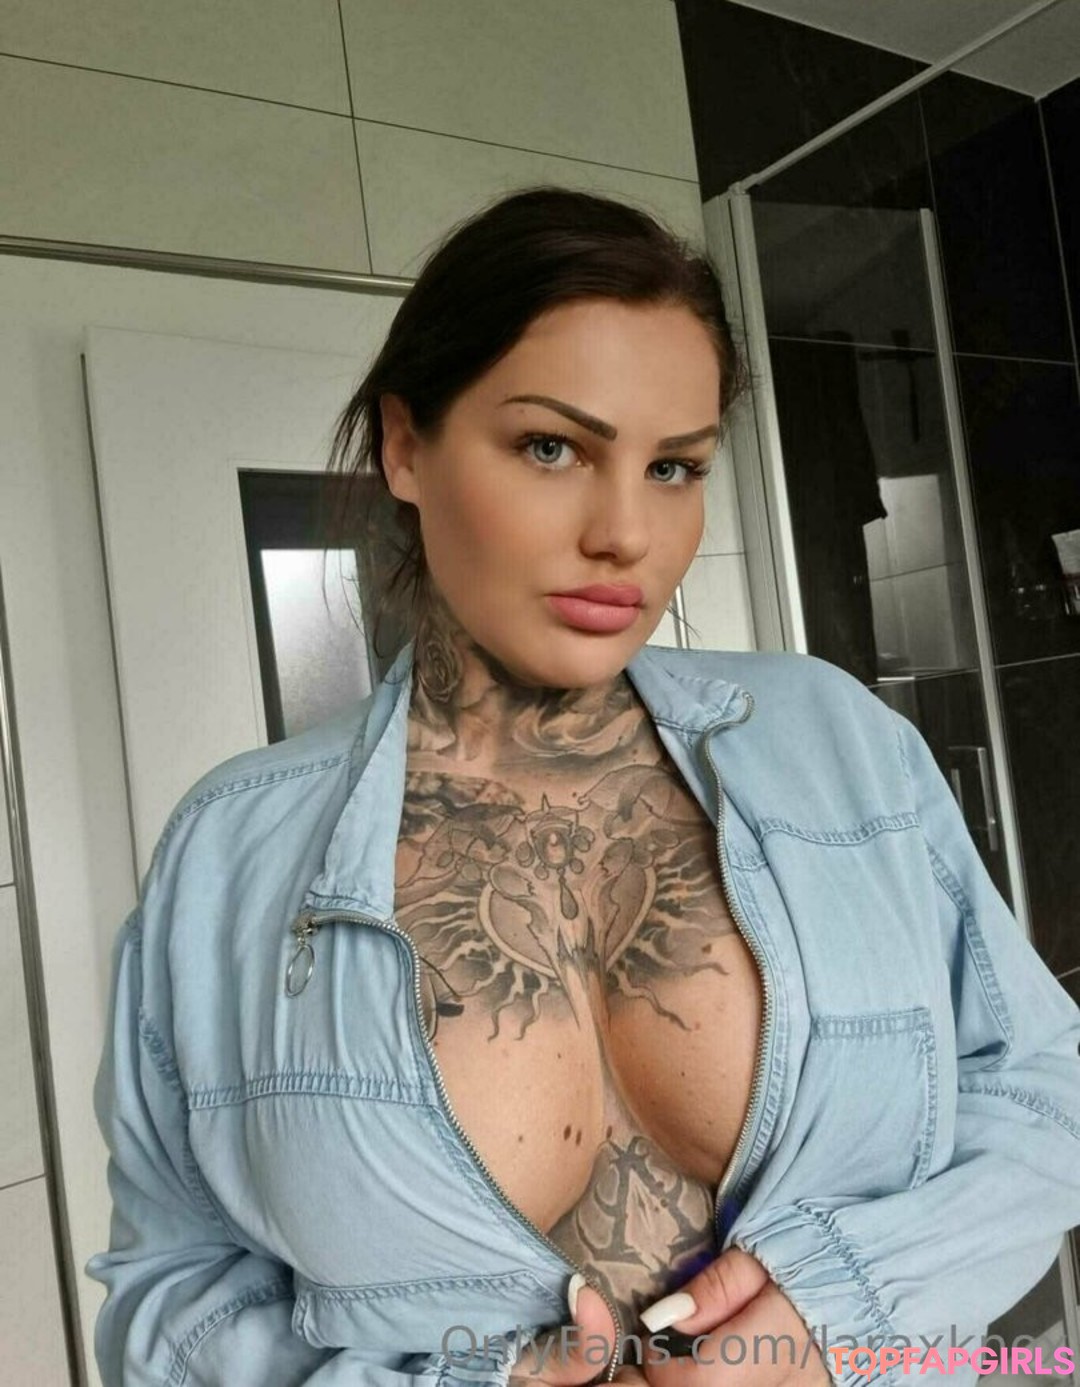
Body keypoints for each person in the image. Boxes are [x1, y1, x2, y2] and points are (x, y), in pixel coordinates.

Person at [86, 186, 1080, 1387]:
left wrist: (839, 1313)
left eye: (674, 466)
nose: (627, 533)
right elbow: (169, 1297)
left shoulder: (838, 743)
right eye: (552, 447)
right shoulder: (227, 852)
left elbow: (1042, 1088)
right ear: (406, 445)